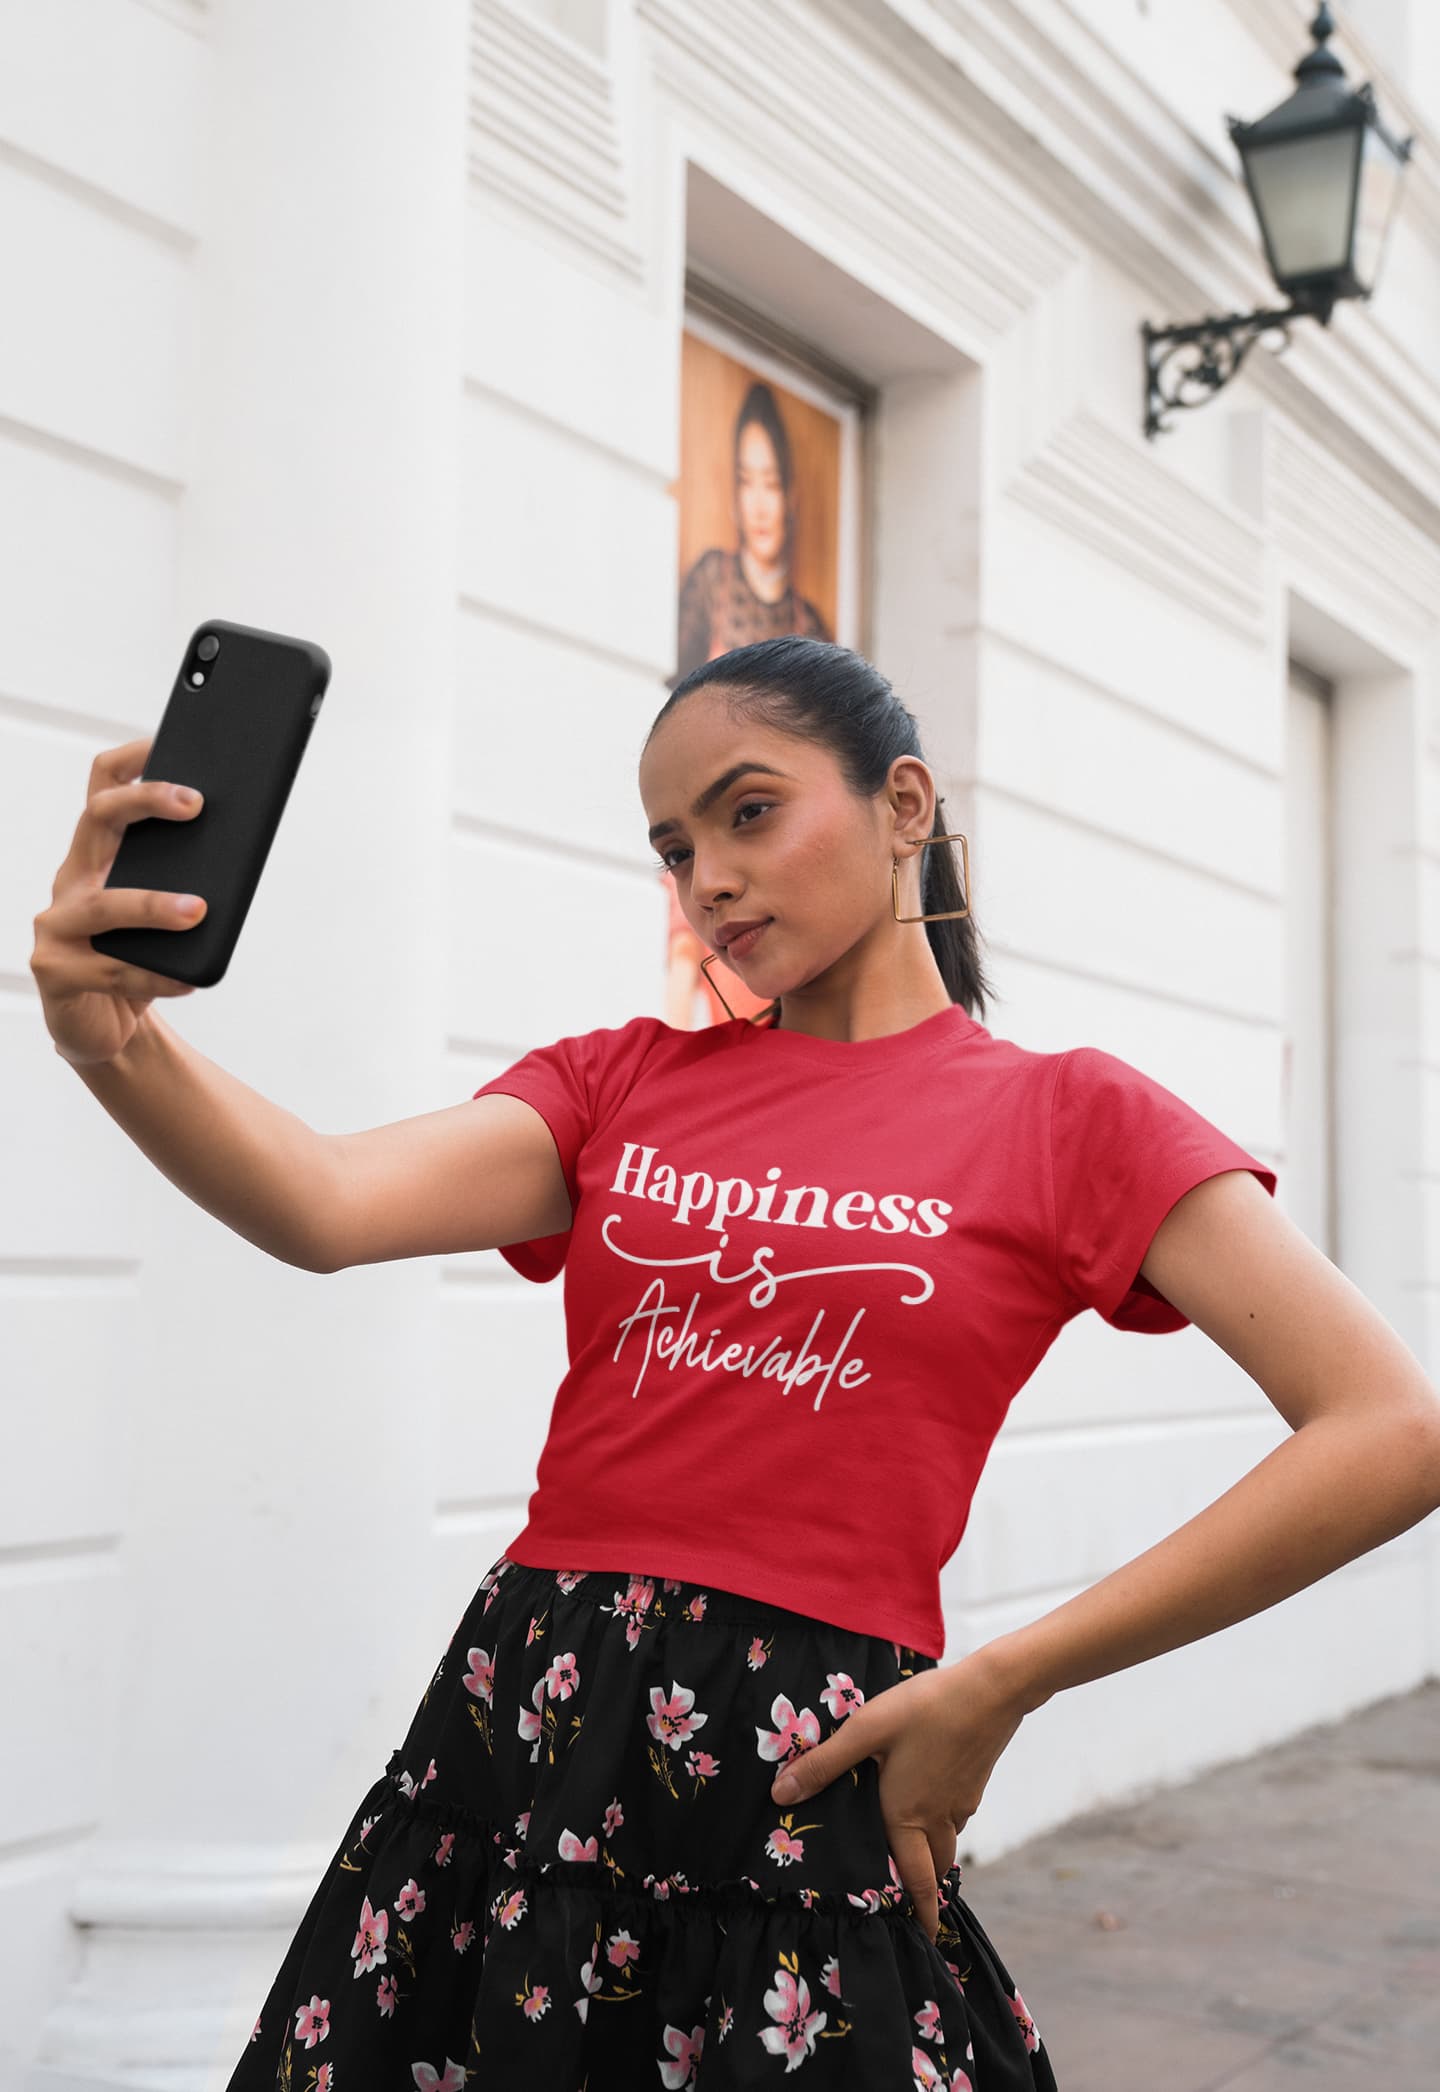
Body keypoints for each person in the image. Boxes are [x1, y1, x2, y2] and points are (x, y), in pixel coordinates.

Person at [33, 636, 1440, 2089]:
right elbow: (322, 1203)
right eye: (672, 844)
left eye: (748, 812)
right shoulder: (620, 1080)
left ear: (905, 804)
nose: (705, 876)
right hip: (530, 1732)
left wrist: (1009, 1680)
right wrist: (111, 1038)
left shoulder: (1072, 1119)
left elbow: (1390, 1428)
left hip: (798, 1757)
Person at [673, 380, 832, 685]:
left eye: (771, 485)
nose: (759, 506)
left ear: (790, 499)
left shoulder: (811, 628)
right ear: (735, 494)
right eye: (747, 482)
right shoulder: (711, 579)